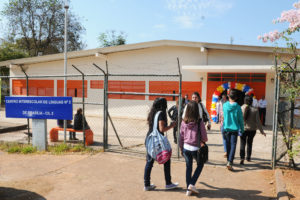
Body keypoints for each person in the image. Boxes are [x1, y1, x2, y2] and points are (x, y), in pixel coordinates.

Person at [144, 97, 179, 191]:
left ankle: (146, 184)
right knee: (166, 160)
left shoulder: (153, 113)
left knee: (149, 162)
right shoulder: (161, 113)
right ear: (163, 105)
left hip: (149, 139)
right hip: (157, 141)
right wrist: (172, 126)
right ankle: (168, 183)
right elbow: (161, 129)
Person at [180, 101, 208, 196]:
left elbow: (181, 136)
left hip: (186, 147)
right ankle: (191, 184)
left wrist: (181, 148)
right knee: (200, 165)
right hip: (196, 148)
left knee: (188, 167)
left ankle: (189, 188)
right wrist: (203, 140)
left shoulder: (184, 121)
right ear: (196, 110)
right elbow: (204, 137)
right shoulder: (199, 121)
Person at [240, 95, 266, 164]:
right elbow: (258, 122)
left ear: (244, 101)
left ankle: (242, 157)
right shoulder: (255, 110)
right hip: (252, 130)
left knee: (242, 143)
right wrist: (262, 131)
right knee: (249, 143)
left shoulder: (241, 108)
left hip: (243, 129)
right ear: (252, 102)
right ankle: (248, 158)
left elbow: (238, 120)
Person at [222, 89, 244, 170]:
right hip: (234, 129)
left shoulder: (224, 105)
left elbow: (223, 116)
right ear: (236, 98)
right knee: (233, 145)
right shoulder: (238, 107)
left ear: (228, 96)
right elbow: (240, 120)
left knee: (227, 145)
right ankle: (230, 161)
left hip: (226, 128)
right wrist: (242, 129)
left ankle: (228, 160)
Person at [217, 94, 228, 158]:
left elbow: (221, 117)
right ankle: (226, 151)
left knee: (225, 139)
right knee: (225, 139)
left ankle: (226, 151)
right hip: (224, 124)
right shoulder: (222, 103)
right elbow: (220, 117)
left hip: (225, 125)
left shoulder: (223, 108)